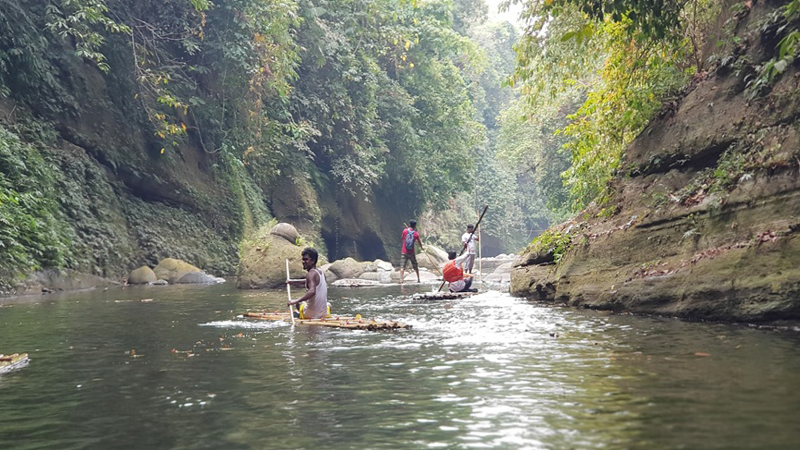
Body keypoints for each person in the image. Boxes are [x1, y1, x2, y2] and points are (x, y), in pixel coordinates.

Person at [287, 247, 329, 319]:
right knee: (328, 305)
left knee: (299, 303)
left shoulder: (311, 274)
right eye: (303, 259)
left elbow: (312, 291)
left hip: (311, 315)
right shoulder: (320, 272)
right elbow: (310, 282)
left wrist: (296, 301)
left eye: (306, 259)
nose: (303, 262)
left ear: (313, 261)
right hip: (324, 314)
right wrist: (293, 282)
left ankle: (299, 315)